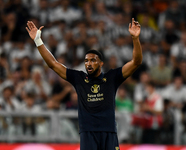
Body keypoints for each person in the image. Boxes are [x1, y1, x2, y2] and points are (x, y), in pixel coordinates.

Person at [26, 18, 142, 150]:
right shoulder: (79, 78)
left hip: (109, 132)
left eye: (93, 60)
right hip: (88, 133)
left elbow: (136, 62)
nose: (89, 63)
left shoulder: (112, 77)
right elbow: (53, 64)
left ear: (101, 63)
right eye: (86, 61)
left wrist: (135, 39)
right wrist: (38, 40)